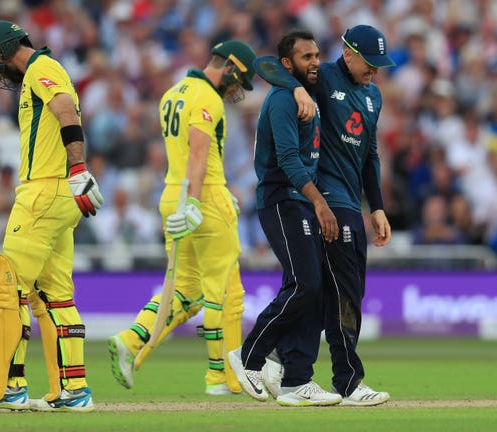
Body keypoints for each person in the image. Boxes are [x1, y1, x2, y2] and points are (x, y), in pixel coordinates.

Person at [0, 20, 103, 412]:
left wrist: (78, 169)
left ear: (3, 51)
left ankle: (6, 387)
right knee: (56, 297)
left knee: (7, 288)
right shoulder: (45, 71)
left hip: (43, 192)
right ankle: (73, 392)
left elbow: (66, 110)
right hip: (60, 198)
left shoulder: (42, 69)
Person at [107, 40, 256, 396]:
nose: (237, 90)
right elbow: (198, 153)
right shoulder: (208, 98)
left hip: (171, 195)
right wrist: (195, 202)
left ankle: (130, 340)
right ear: (231, 66)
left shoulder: (173, 93)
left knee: (185, 289)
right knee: (226, 291)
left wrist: (185, 201)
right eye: (239, 80)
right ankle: (224, 377)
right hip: (202, 195)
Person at [261, 24, 394, 406]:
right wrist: (297, 86)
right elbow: (266, 64)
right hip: (328, 202)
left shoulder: (373, 96)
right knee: (342, 294)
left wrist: (379, 207)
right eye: (369, 63)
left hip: (353, 203)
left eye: (378, 65)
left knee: (343, 293)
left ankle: (282, 356)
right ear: (348, 53)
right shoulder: (323, 76)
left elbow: (369, 156)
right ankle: (348, 381)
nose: (374, 71)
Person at [227, 30, 341, 407]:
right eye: (305, 56)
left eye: (316, 55)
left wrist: (297, 85)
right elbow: (290, 160)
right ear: (289, 64)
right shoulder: (281, 99)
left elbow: (271, 66)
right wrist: (320, 204)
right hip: (282, 198)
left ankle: (296, 380)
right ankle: (250, 357)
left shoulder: (304, 87)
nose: (315, 62)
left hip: (300, 201)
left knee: (315, 287)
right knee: (305, 285)